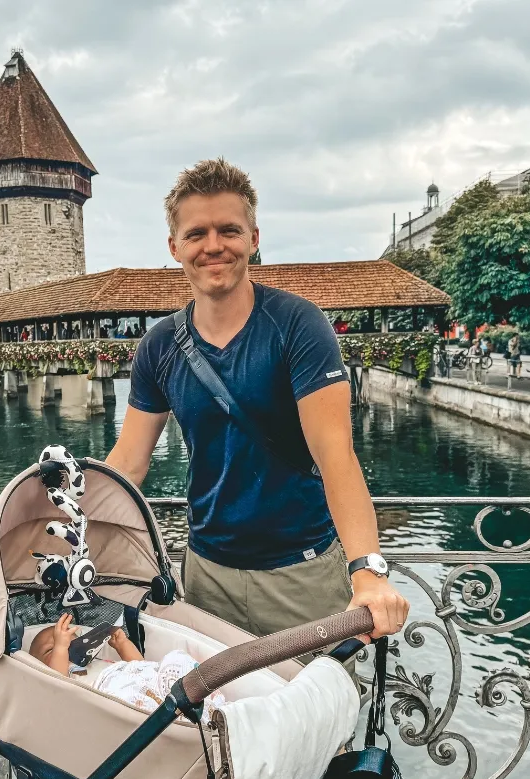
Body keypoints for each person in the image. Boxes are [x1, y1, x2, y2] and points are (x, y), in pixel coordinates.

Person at [106, 158, 408, 648]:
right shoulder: (159, 346)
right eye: (196, 233)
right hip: (206, 574)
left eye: (229, 230)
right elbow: (129, 462)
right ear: (174, 246)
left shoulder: (298, 326)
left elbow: (336, 456)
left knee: (317, 719)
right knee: (215, 718)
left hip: (301, 572)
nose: (213, 246)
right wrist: (68, 526)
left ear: (253, 238)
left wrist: (367, 570)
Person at [29, 614, 226, 716]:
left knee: (175, 661)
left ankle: (201, 697)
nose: (64, 648)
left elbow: (140, 666)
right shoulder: (64, 677)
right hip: (116, 693)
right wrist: (60, 648)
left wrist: (123, 645)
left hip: (142, 678)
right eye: (49, 650)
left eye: (72, 642)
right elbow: (55, 684)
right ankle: (179, 704)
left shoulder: (100, 662)